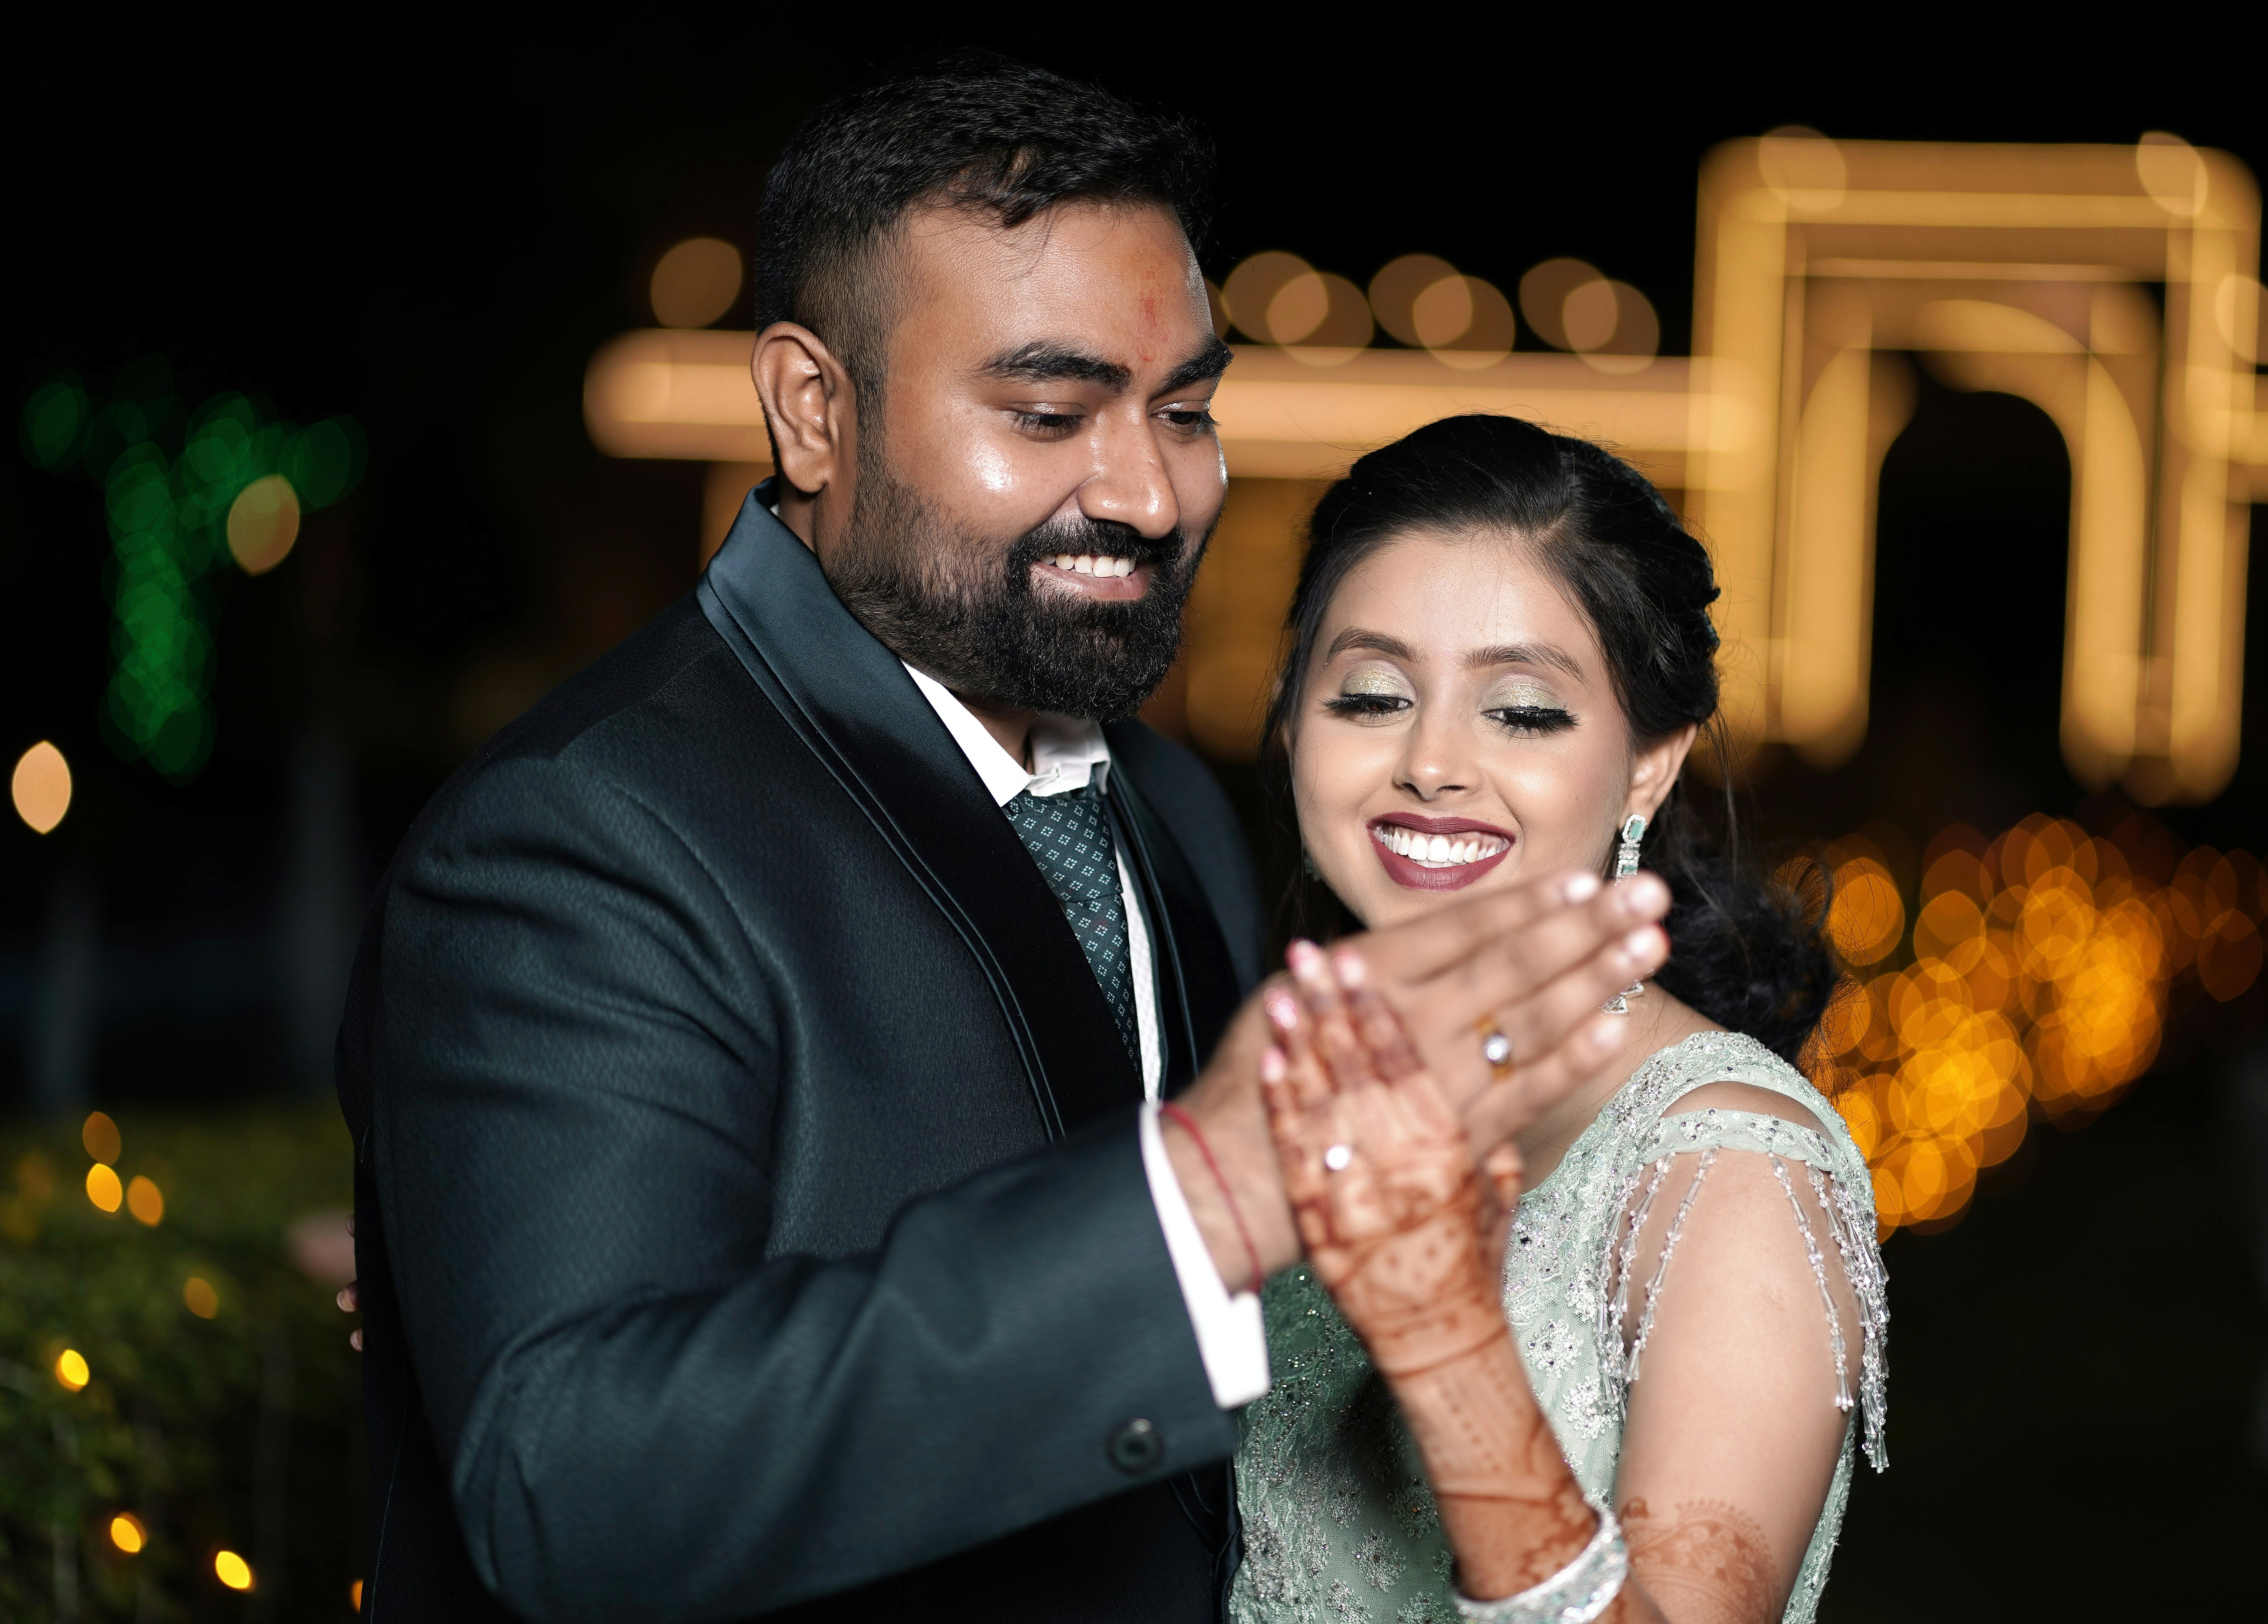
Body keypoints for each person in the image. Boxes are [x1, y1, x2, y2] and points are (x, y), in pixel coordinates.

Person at [334, 58, 1673, 1623]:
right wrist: (1207, 1202)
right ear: (811, 410)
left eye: (1184, 412)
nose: (1148, 491)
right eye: (1048, 412)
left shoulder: (1174, 810)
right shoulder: (582, 834)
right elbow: (567, 1490)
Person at [1223, 415, 1887, 1624]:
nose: (1430, 763)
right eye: (1369, 696)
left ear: (1648, 763)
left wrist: (1449, 1346)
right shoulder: (1268, 1086)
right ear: (1290, 727)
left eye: (1520, 712)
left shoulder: (1729, 1174)